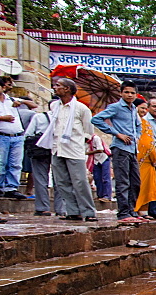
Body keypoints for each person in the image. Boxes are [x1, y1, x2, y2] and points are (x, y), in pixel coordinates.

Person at [48, 78, 97, 222]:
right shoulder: (54, 107)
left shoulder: (81, 109)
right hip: (57, 148)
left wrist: (79, 142)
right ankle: (73, 211)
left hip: (74, 149)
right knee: (62, 182)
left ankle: (88, 212)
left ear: (67, 89)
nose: (55, 87)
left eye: (58, 86)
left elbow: (88, 131)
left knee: (80, 181)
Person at [93, 80, 142, 223]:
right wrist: (117, 133)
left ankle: (131, 211)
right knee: (123, 182)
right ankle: (123, 213)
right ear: (121, 93)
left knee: (135, 182)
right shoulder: (115, 107)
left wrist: (137, 137)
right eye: (126, 92)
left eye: (132, 93)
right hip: (120, 148)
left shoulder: (133, 109)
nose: (129, 95)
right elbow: (96, 119)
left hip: (132, 148)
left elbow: (138, 127)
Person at [0, 76, 29, 199]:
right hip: (1, 135)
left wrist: (21, 102)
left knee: (15, 164)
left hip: (17, 136)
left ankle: (12, 187)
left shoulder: (11, 99)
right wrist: (2, 119)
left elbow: (33, 104)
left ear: (3, 87)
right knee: (1, 162)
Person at [133, 99, 156, 219]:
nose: (143, 111)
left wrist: (154, 158)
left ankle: (142, 211)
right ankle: (135, 210)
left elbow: (150, 143)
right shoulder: (131, 122)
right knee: (138, 185)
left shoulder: (146, 123)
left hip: (149, 161)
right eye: (141, 108)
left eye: (145, 108)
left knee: (148, 186)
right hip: (137, 159)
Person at [86, 129, 113, 204]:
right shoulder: (87, 142)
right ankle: (100, 195)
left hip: (103, 158)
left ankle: (107, 196)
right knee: (97, 178)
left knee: (105, 177)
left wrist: (88, 153)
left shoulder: (95, 138)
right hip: (95, 160)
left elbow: (100, 149)